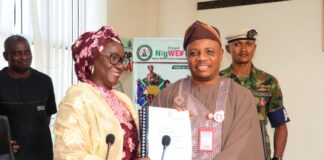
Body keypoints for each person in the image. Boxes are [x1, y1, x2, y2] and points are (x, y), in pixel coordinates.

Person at [152, 20, 264, 160]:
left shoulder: (241, 97)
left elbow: (240, 150)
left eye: (210, 52)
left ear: (221, 54)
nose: (202, 58)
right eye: (194, 53)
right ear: (186, 56)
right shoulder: (167, 96)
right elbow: (152, 145)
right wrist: (169, 121)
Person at [53, 26, 149, 160]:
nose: (121, 66)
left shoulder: (123, 99)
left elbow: (138, 145)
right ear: (92, 59)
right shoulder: (77, 98)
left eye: (122, 59)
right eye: (114, 58)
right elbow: (69, 155)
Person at [220, 29, 290, 160]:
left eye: (248, 44)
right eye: (237, 44)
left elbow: (280, 124)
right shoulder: (218, 80)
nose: (243, 48)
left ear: (255, 48)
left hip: (258, 153)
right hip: (224, 153)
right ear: (228, 49)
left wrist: (277, 157)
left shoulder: (268, 81)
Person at [0, 35, 57, 160]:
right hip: (10, 155)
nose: (24, 57)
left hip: (43, 154)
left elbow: (46, 117)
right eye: (17, 54)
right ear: (5, 56)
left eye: (27, 52)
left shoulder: (44, 81)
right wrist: (2, 143)